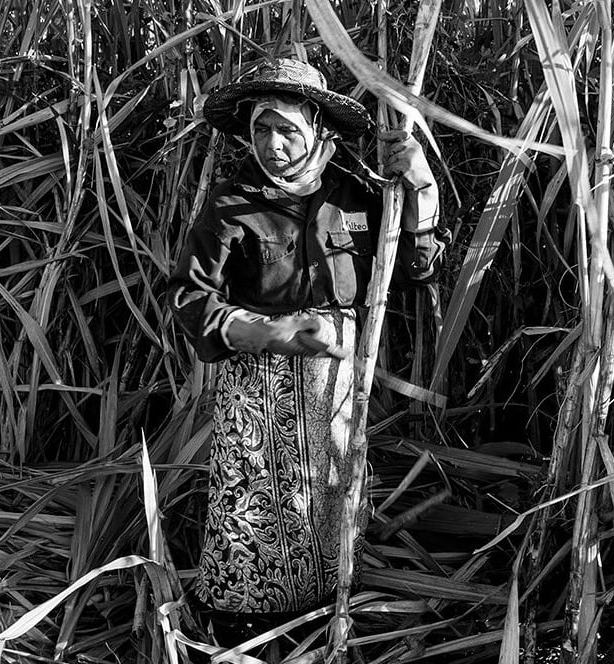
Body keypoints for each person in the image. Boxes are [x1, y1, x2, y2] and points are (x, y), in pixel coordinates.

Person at [168, 58, 449, 638]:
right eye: (262, 129)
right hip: (257, 390)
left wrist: (420, 187)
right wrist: (260, 331)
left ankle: (323, 612)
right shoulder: (231, 204)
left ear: (318, 129)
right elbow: (188, 296)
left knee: (330, 498)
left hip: (337, 386)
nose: (272, 145)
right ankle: (241, 621)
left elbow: (413, 269)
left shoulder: (357, 196)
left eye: (287, 130)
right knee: (253, 510)